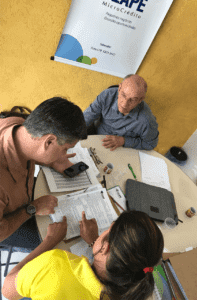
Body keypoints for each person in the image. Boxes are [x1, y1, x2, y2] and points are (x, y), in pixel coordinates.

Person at [2, 210, 172, 300]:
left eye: (109, 229)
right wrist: (95, 244)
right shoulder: (138, 289)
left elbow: (7, 290)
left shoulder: (54, 264)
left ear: (105, 247)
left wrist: (49, 242)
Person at [0, 97, 87, 243]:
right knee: (67, 238)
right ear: (50, 141)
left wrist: (51, 161)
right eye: (65, 149)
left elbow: (30, 147)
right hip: (9, 222)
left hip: (21, 193)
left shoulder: (19, 125)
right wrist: (32, 208)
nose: (65, 154)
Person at [83, 74, 159, 151]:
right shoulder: (107, 96)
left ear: (140, 100)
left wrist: (124, 141)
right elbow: (85, 118)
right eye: (123, 95)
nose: (124, 104)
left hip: (120, 149)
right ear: (119, 88)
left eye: (132, 100)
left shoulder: (147, 120)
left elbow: (150, 144)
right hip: (95, 138)